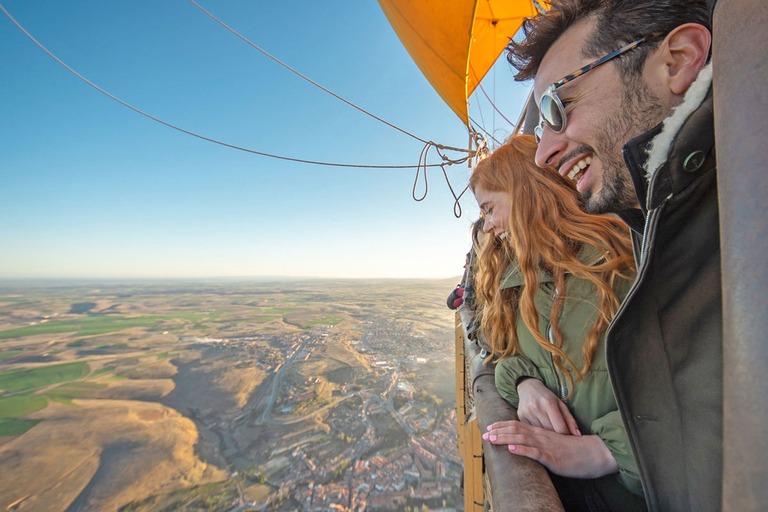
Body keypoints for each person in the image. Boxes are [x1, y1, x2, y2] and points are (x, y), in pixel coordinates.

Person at [506, 2, 721, 510]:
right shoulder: (659, 223)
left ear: (677, 60)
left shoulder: (723, 213)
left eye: (558, 107)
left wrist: (608, 452)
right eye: (540, 130)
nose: (542, 154)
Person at [472, 136, 643, 510]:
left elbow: (697, 381)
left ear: (525, 192)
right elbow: (507, 355)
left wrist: (603, 452)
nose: (486, 227)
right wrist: (525, 383)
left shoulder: (625, 260)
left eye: (489, 209)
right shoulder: (525, 282)